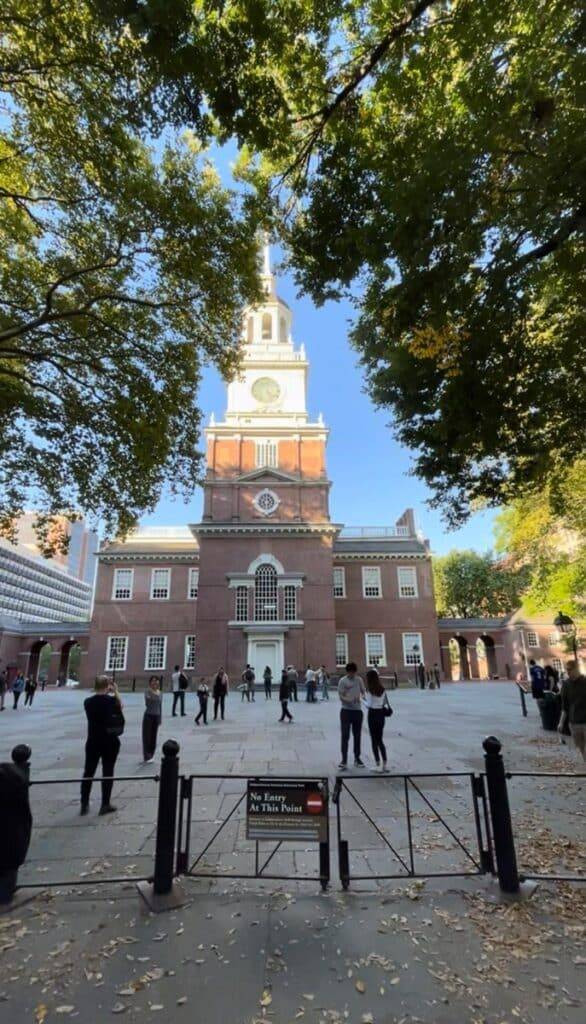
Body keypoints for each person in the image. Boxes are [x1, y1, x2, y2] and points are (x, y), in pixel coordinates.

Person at [80, 675, 124, 815]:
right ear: (108, 686)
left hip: (93, 740)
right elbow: (120, 706)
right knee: (108, 771)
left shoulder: (88, 702)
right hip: (110, 741)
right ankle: (105, 804)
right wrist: (115, 691)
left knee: (88, 772)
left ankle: (84, 804)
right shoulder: (112, 701)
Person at [337, 661, 365, 769]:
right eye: (350, 672)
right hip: (346, 711)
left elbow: (363, 691)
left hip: (357, 711)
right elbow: (340, 695)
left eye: (353, 672)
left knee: (357, 736)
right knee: (345, 735)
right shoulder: (343, 681)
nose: (351, 674)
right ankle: (344, 760)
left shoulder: (359, 680)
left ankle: (357, 758)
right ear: (347, 671)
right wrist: (348, 699)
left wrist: (361, 697)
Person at [363, 668, 390, 771]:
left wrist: (362, 700)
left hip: (372, 715)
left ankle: (377, 763)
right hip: (381, 715)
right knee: (380, 740)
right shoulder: (382, 689)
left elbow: (368, 705)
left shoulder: (369, 690)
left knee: (374, 740)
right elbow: (383, 703)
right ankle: (385, 764)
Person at [560, 660, 586, 761]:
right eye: (566, 670)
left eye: (570, 670)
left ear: (577, 669)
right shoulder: (566, 684)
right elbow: (564, 706)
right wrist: (561, 723)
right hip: (574, 723)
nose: (568, 672)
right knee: (581, 748)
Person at [142, 676, 161, 762]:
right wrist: (153, 693)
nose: (155, 682)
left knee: (154, 736)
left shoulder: (160, 692)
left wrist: (160, 718)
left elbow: (160, 706)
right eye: (153, 681)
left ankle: (151, 754)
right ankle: (147, 755)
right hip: (148, 716)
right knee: (147, 736)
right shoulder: (147, 691)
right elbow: (148, 702)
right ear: (150, 683)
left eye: (156, 681)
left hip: (156, 716)